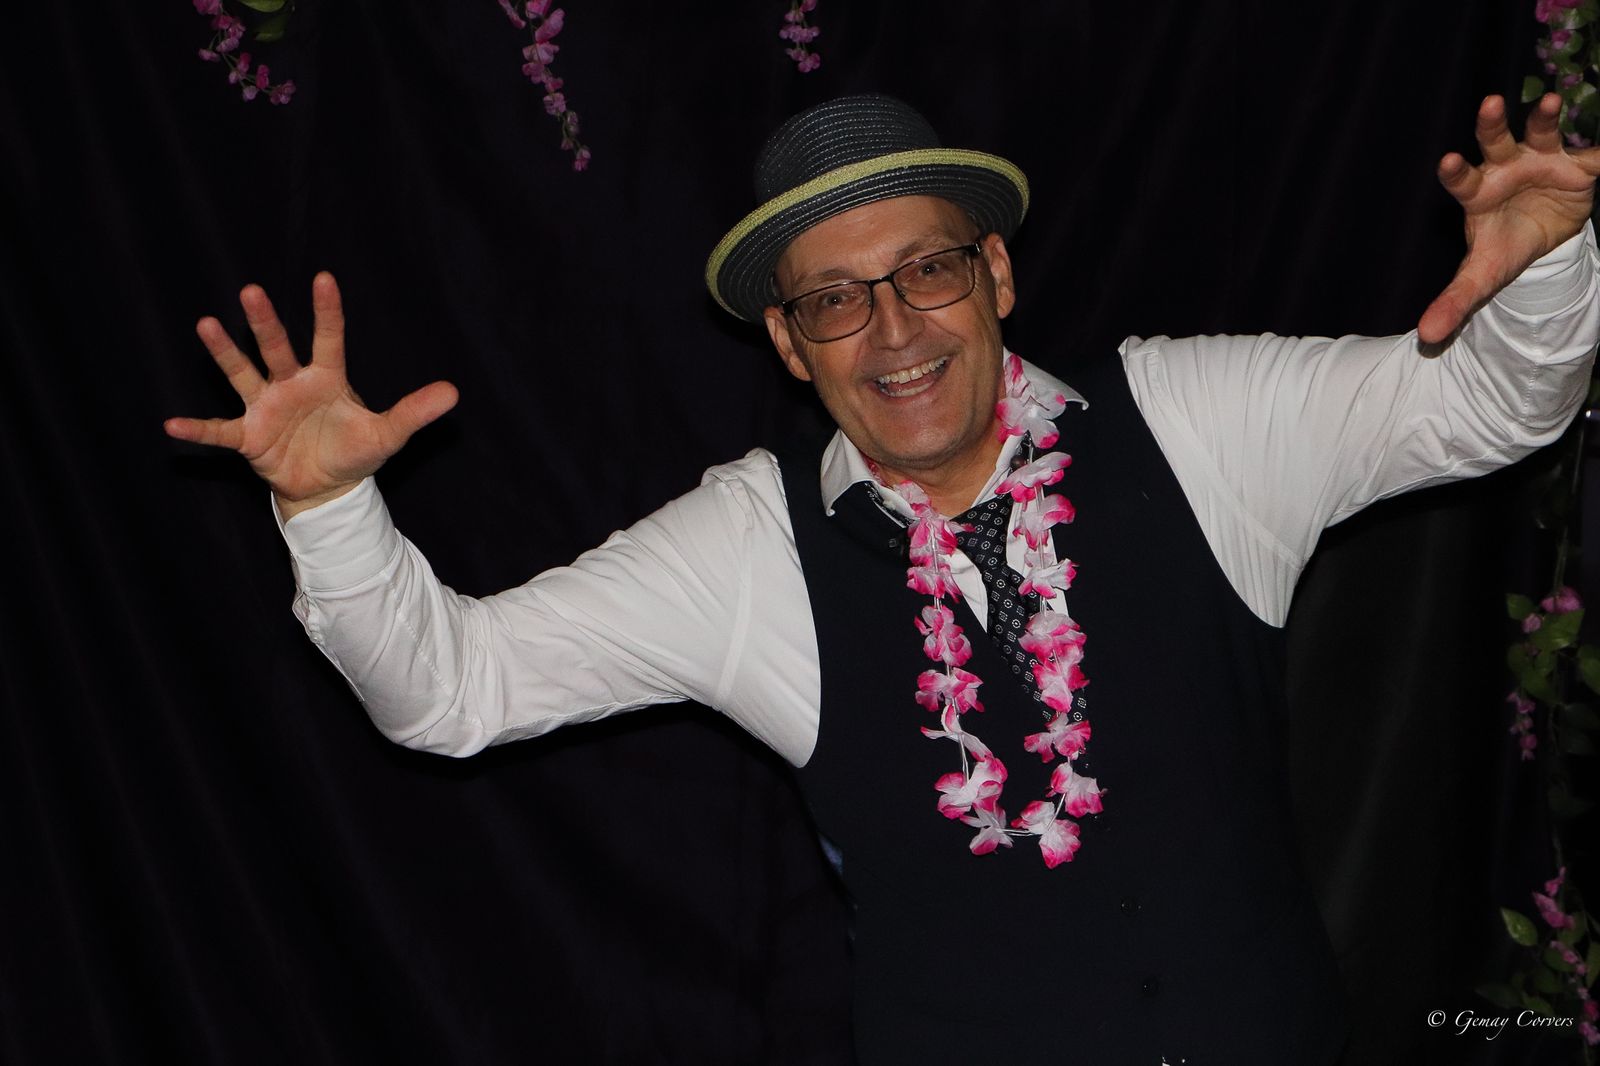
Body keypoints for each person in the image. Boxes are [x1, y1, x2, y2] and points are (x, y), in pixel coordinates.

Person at [166, 92, 1600, 1064]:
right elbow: (452, 690)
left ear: (997, 275)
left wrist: (1542, 268)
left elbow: (1484, 410)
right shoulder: (750, 546)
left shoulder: (1197, 421)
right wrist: (331, 506)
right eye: (834, 301)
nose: (894, 332)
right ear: (790, 345)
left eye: (927, 272)